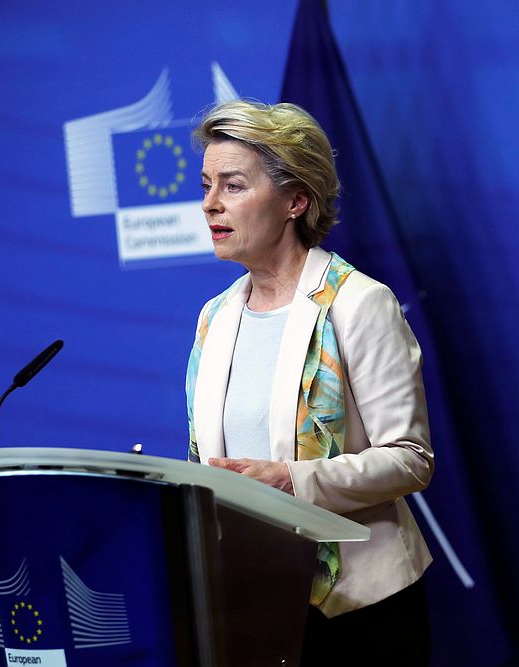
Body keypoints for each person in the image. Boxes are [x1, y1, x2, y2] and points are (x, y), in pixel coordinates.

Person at [185, 100, 434, 665]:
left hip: (361, 609)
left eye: (234, 185)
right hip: (251, 601)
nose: (210, 204)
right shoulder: (213, 318)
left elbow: (411, 459)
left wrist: (290, 480)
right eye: (206, 185)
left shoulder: (358, 302)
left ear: (296, 201)